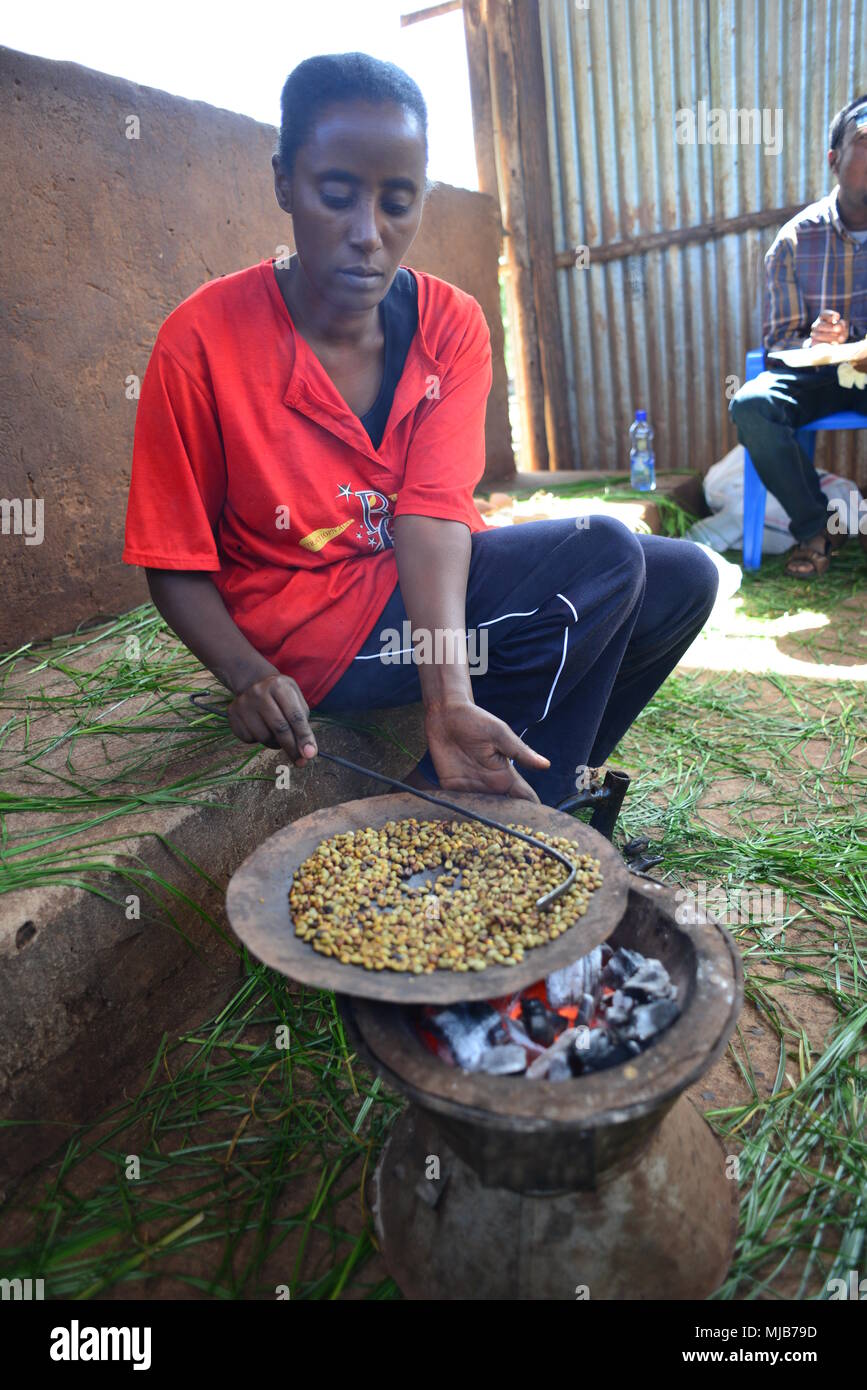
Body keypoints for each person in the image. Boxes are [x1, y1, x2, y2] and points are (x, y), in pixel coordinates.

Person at [123, 52, 718, 809]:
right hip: (308, 631)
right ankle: (498, 816)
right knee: (602, 556)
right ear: (283, 182)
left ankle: (527, 791)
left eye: (397, 202)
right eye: (335, 196)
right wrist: (247, 674)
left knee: (682, 579)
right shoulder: (202, 342)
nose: (368, 233)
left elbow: (433, 514)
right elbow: (172, 559)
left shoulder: (449, 324)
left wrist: (446, 698)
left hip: (418, 589)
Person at [729, 94, 867, 579]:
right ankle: (815, 529)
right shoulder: (795, 239)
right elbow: (778, 344)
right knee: (751, 404)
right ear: (835, 159)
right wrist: (815, 342)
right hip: (815, 376)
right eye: (865, 142)